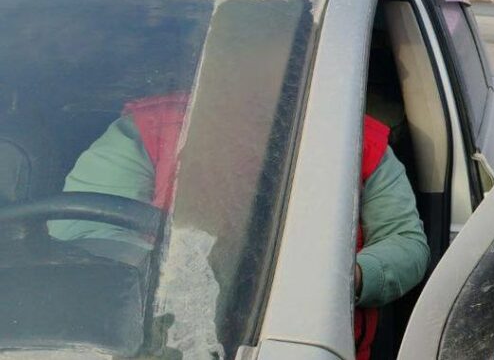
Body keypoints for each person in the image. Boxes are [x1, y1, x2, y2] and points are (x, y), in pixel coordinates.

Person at [49, 95, 428, 360]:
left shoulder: (357, 141)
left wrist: (345, 277)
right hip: (144, 338)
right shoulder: (149, 130)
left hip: (305, 340)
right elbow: (83, 233)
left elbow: (405, 242)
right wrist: (181, 273)